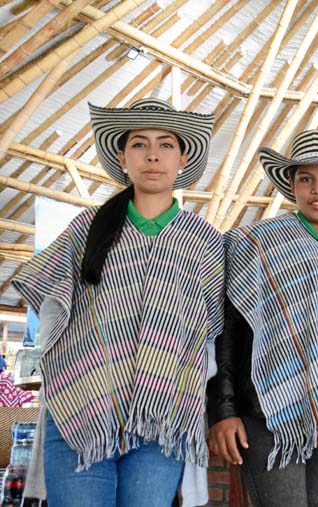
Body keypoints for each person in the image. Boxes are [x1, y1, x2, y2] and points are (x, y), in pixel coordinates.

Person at [12, 98, 224, 507]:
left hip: (161, 416)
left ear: (183, 159)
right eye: (139, 145)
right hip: (82, 408)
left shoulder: (206, 241)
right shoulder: (86, 228)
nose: (152, 156)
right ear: (123, 158)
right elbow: (49, 303)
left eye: (165, 145)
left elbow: (209, 333)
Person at [206, 129, 318, 507]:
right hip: (268, 408)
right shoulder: (258, 243)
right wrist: (224, 409)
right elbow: (225, 329)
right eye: (306, 178)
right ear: (292, 186)